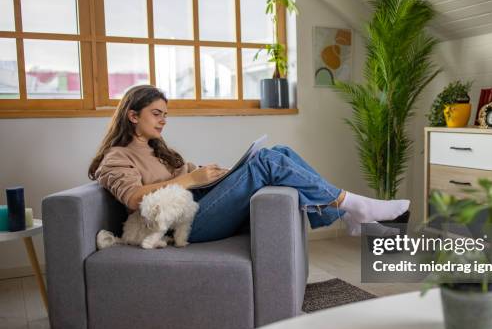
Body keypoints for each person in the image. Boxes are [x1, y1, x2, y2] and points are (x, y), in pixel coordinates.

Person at [88, 85, 410, 243]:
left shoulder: (157, 149)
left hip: (199, 204)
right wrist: (190, 180)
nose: (163, 121)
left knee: (276, 151)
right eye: (156, 114)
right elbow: (132, 197)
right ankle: (355, 208)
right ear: (133, 116)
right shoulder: (116, 157)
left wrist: (217, 174)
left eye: (165, 114)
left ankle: (349, 212)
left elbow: (188, 177)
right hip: (182, 227)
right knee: (269, 160)